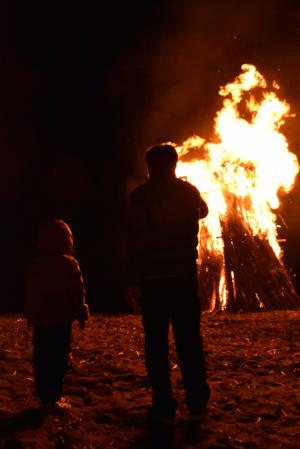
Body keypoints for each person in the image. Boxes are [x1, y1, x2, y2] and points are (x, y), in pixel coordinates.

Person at [127, 144, 210, 425]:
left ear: (149, 166)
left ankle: (163, 403)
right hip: (184, 277)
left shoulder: (142, 196)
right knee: (189, 341)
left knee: (157, 344)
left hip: (154, 281)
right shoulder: (188, 191)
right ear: (175, 164)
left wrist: (132, 279)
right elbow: (204, 212)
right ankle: (197, 400)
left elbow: (136, 240)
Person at [24, 218, 89, 410]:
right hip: (61, 320)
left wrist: (31, 314)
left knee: (42, 357)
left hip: (42, 321)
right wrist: (81, 313)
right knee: (58, 358)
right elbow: (77, 291)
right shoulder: (69, 264)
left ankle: (44, 394)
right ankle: (53, 397)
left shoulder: (36, 264)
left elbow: (30, 291)